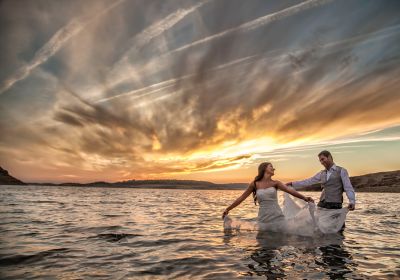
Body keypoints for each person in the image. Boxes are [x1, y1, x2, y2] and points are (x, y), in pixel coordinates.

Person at [222, 162, 314, 232]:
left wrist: (304, 198)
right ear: (264, 169)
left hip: (277, 216)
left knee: (277, 244)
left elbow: (290, 191)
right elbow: (241, 198)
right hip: (263, 217)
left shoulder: (276, 183)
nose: (274, 168)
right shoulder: (255, 184)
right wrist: (228, 209)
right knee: (263, 244)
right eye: (271, 166)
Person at [286, 150, 356, 211]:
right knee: (318, 225)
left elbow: (348, 187)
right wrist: (292, 184)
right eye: (320, 160)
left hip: (335, 205)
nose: (321, 162)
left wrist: (352, 201)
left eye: (323, 159)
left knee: (337, 226)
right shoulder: (321, 173)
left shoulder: (342, 171)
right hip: (322, 204)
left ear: (329, 157)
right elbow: (308, 181)